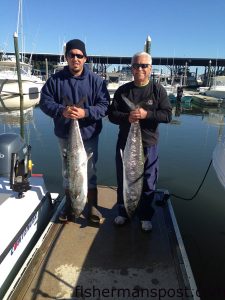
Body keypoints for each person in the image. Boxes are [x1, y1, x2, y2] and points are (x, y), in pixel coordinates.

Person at [39, 39, 110, 223]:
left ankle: (92, 207)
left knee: (90, 171)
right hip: (65, 135)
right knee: (68, 172)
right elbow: (44, 103)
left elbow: (104, 106)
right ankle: (71, 206)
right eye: (72, 55)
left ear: (85, 58)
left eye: (79, 55)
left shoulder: (96, 81)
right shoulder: (55, 80)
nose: (75, 59)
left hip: (90, 134)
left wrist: (85, 112)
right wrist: (61, 110)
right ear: (66, 57)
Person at [108, 51, 172, 232]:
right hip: (125, 144)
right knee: (124, 179)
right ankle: (123, 212)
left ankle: (145, 215)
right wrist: (127, 117)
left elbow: (167, 115)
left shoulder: (157, 90)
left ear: (150, 68)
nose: (140, 69)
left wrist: (147, 114)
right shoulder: (123, 90)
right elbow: (112, 115)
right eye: (137, 65)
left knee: (149, 182)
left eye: (144, 65)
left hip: (149, 144)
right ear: (132, 68)